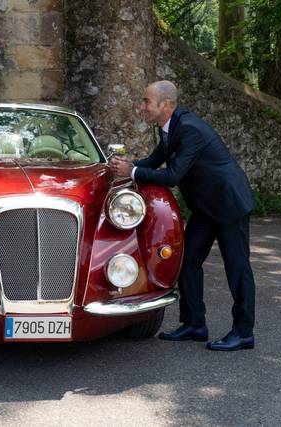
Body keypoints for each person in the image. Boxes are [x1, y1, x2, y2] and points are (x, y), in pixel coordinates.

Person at [110, 80, 256, 351]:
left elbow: (172, 175)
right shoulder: (168, 128)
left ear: (164, 105)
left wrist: (130, 173)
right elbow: (152, 163)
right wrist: (124, 166)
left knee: (237, 268)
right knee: (187, 260)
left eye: (146, 102)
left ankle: (244, 332)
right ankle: (194, 324)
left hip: (228, 204)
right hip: (206, 206)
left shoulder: (189, 129)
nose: (142, 106)